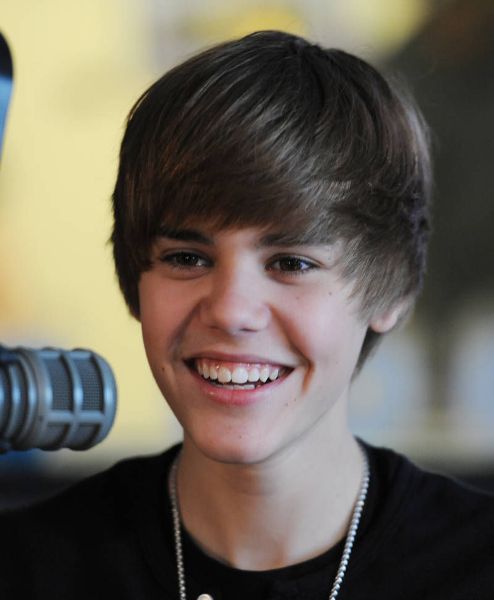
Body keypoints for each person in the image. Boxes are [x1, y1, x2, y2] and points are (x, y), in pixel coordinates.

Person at [1, 29, 493, 600]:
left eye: (291, 263)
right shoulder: (28, 566)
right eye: (186, 258)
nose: (231, 311)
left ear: (393, 292)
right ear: (135, 282)